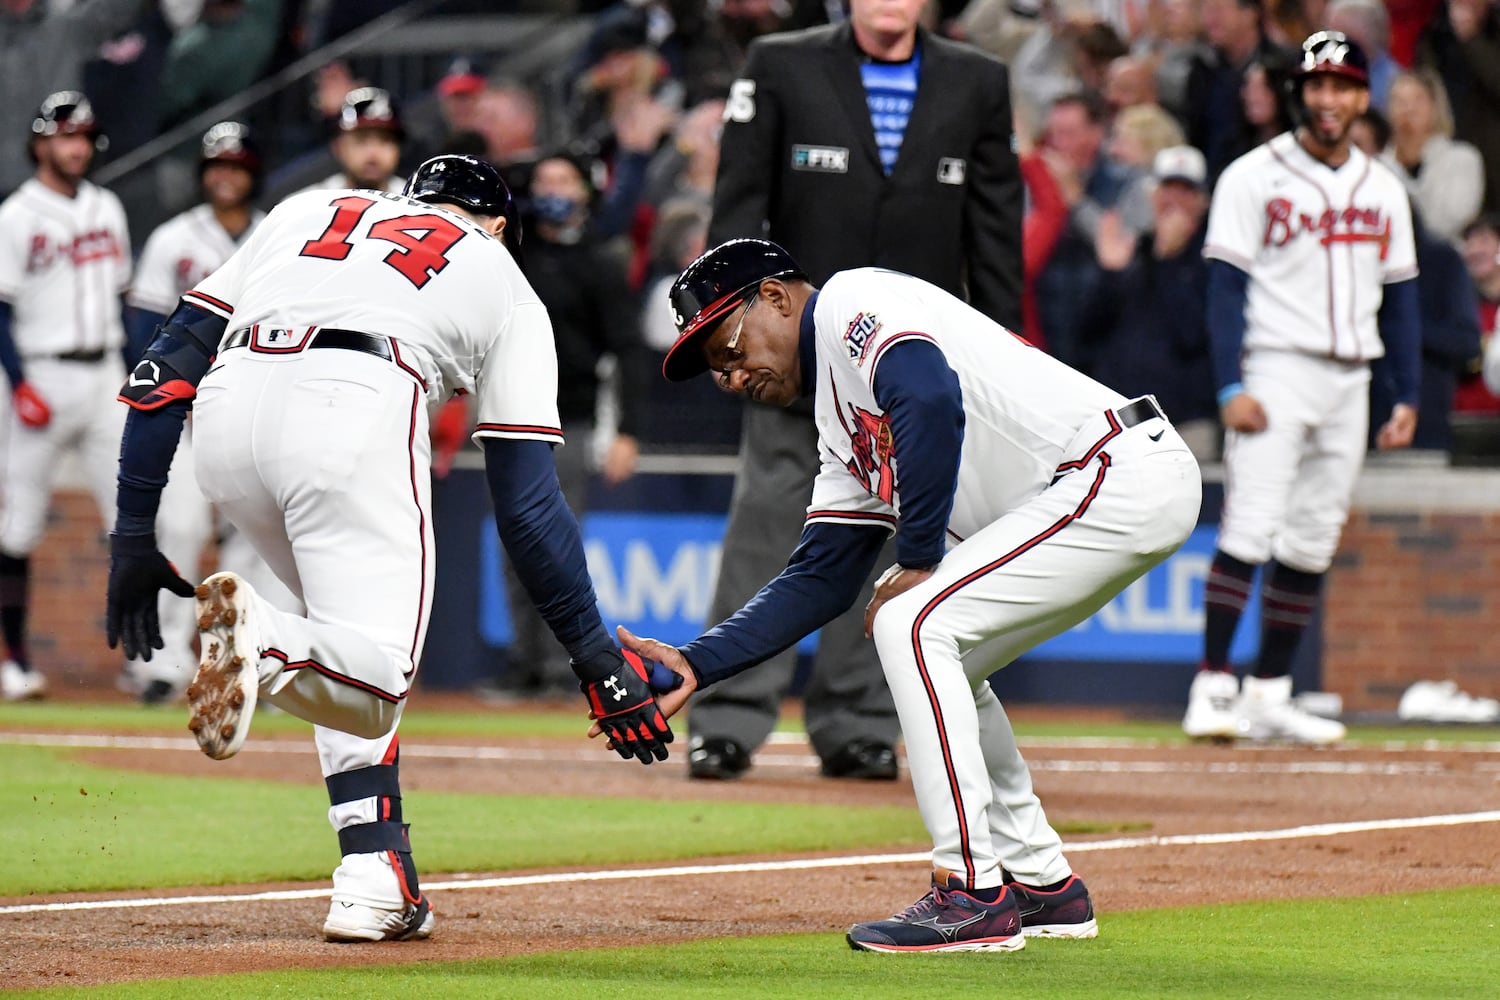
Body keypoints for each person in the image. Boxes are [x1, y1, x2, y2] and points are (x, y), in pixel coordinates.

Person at [104, 154, 676, 943]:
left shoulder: (308, 210)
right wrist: (595, 657)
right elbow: (529, 505)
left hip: (229, 412)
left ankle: (373, 878)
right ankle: (265, 643)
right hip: (356, 402)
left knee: (339, 642)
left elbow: (162, 372)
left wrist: (132, 533)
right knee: (378, 677)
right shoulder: (504, 276)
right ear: (501, 225)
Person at [614, 237, 1200, 953]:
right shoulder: (838, 426)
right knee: (954, 658)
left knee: (913, 625)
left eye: (727, 346)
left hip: (1113, 468)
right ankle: (1043, 883)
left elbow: (928, 394)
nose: (730, 377)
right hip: (1096, 486)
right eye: (714, 369)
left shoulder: (853, 302)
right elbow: (821, 576)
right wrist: (698, 663)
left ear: (774, 296)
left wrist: (919, 557)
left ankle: (970, 892)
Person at [691, 0, 1023, 783]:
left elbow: (996, 228)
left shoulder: (978, 80)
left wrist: (1005, 348)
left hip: (910, 359)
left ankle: (859, 724)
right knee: (767, 525)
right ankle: (728, 721)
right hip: (793, 352)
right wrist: (722, 335)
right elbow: (736, 207)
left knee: (887, 534)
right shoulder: (780, 62)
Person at [1180, 32, 1420, 745]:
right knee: (1251, 523)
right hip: (1276, 365)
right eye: (1317, 85)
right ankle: (1213, 684)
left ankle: (1271, 693)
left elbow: (1400, 297)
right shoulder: (1253, 175)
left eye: (1343, 85)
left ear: (1362, 95)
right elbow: (1224, 291)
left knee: (1313, 539)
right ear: (1299, 91)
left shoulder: (1382, 187)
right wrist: (1229, 384)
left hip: (1351, 375)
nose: (1328, 99)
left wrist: (1403, 394)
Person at [120, 121, 267, 704]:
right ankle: (161, 663)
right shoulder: (173, 238)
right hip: (186, 412)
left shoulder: (276, 235)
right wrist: (161, 398)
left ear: (253, 172)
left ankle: (236, 662)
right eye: (216, 166)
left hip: (252, 411)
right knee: (179, 528)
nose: (225, 175)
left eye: (236, 165)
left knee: (249, 543)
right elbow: (141, 328)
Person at [492, 150, 646, 698]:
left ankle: (563, 668)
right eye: (543, 180)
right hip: (508, 417)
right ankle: (525, 664)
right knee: (515, 548)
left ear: (587, 191)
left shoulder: (600, 263)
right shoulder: (510, 257)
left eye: (564, 180)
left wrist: (627, 429)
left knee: (555, 543)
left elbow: (629, 350)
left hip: (570, 420)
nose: (552, 189)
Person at [0, 91, 131, 702]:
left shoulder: (107, 206)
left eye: (83, 135)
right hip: (41, 373)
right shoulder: (17, 214)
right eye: (63, 135)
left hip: (104, 370)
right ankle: (14, 660)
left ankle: (145, 663)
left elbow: (126, 302)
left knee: (134, 518)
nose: (75, 145)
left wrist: (136, 369)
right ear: (40, 143)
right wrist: (18, 380)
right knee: (18, 527)